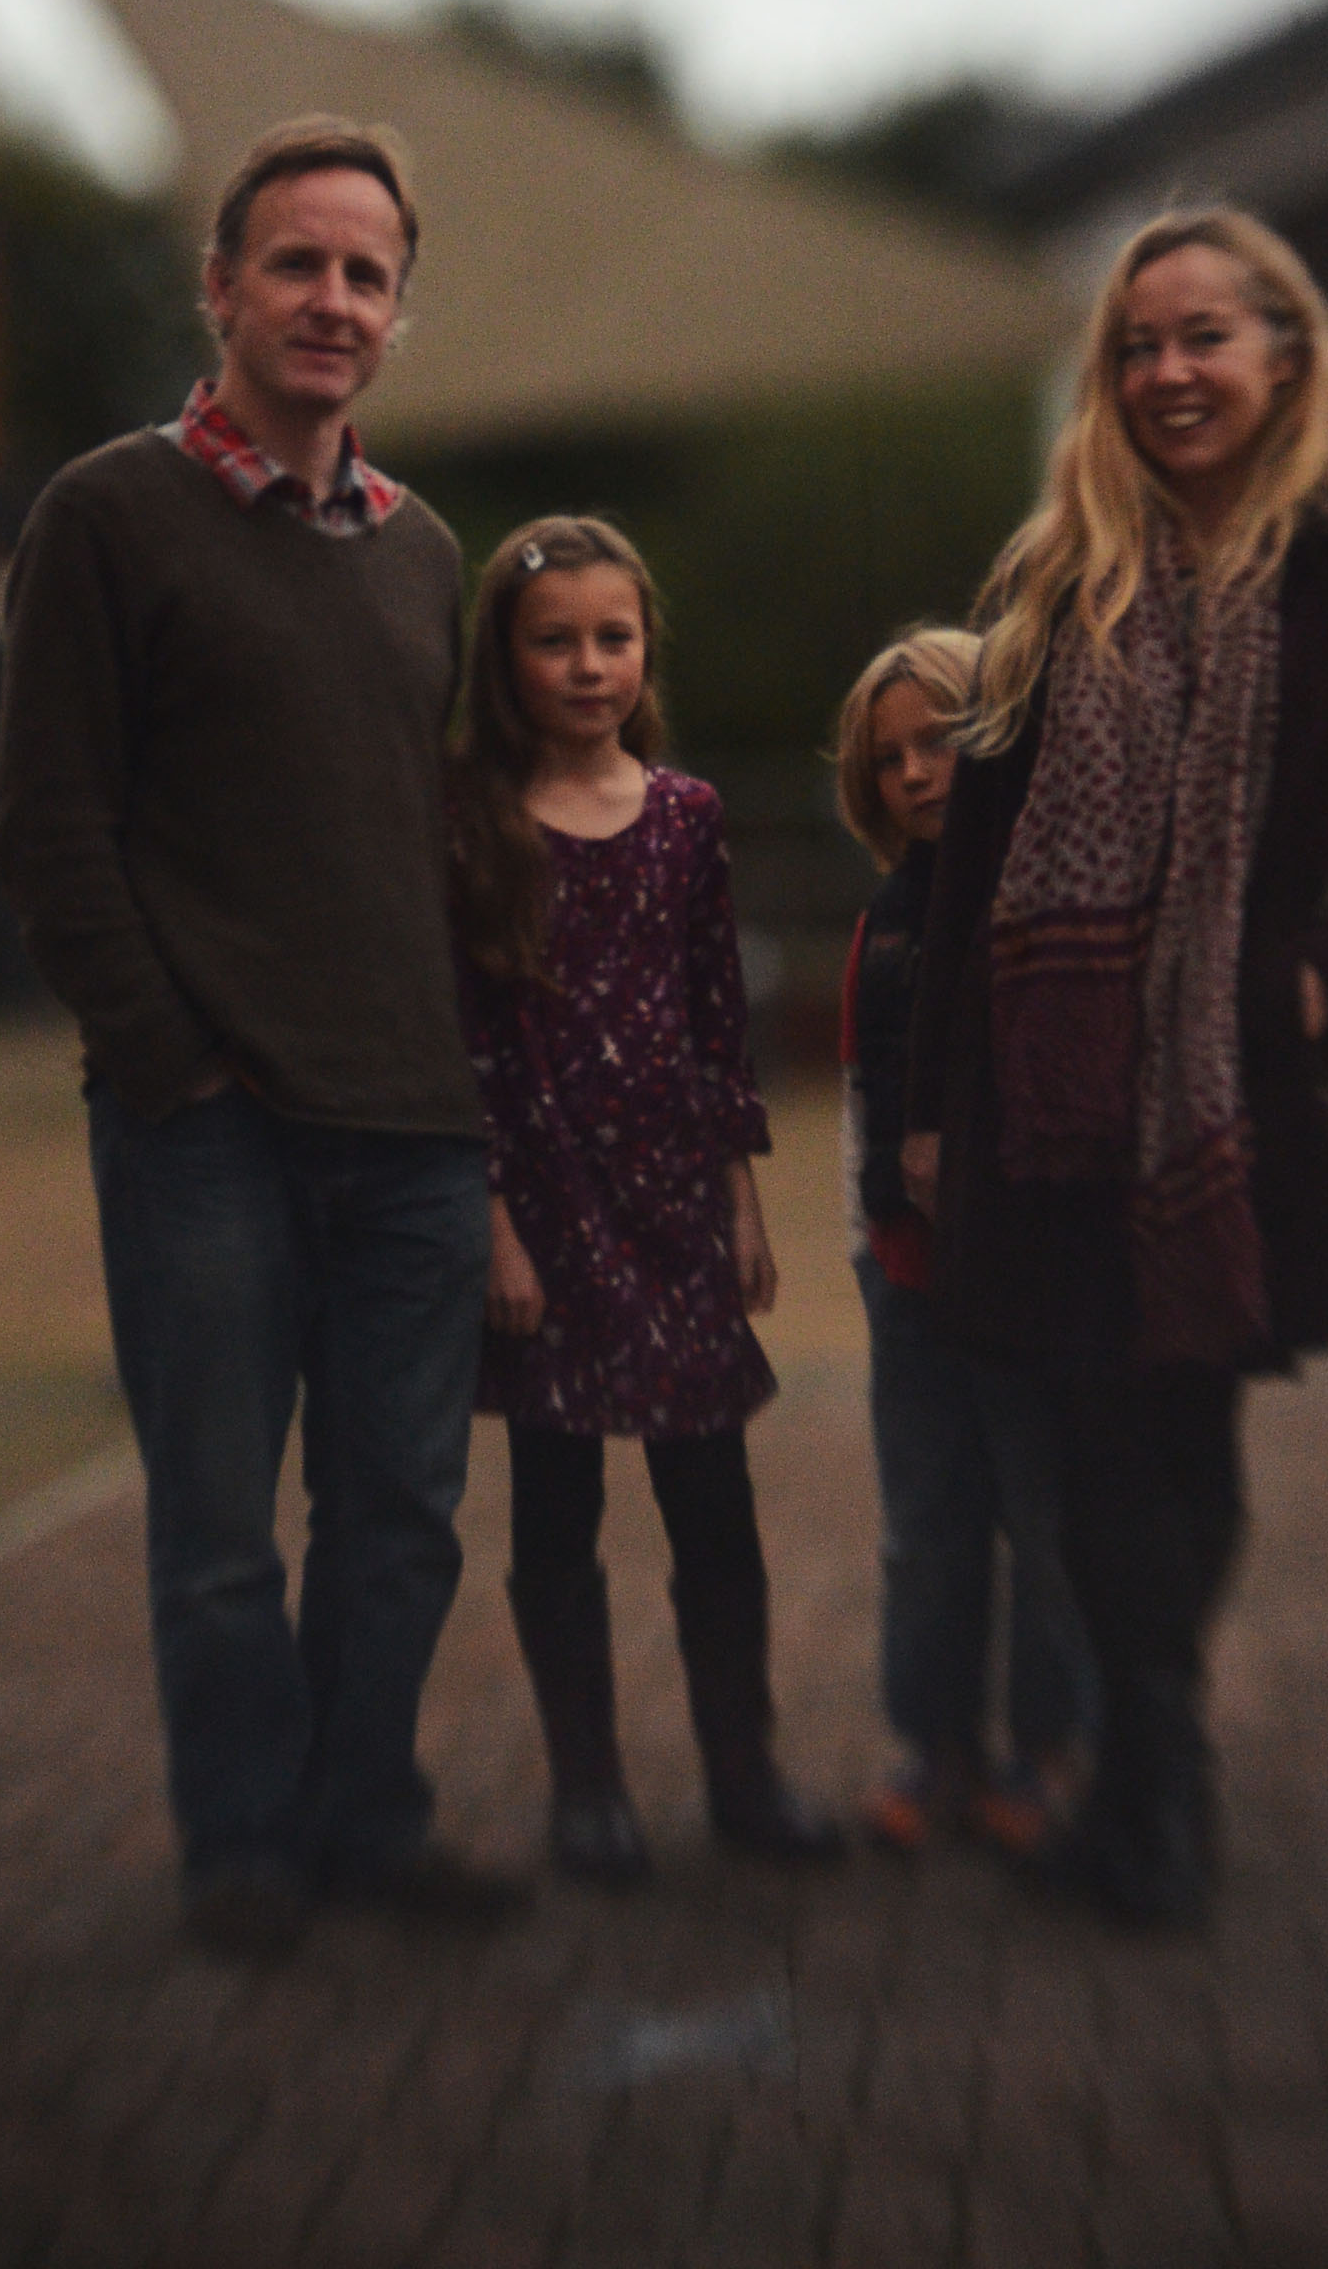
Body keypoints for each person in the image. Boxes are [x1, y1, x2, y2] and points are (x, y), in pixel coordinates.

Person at [0, 116, 521, 1962]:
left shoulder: (426, 552)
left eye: (368, 273)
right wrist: (170, 1061)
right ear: (218, 286)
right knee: (220, 1529)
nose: (332, 298)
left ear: (396, 313)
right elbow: (49, 831)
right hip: (206, 1127)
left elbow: (438, 839)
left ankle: (366, 1823)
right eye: (296, 261)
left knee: (400, 1522)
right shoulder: (103, 516)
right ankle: (243, 1851)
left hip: (417, 1132)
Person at [902, 207, 1328, 1931]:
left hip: (1235, 1085)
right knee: (1088, 1447)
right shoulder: (1054, 574)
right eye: (1136, 346)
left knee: (1183, 1428)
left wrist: (1320, 975)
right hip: (1050, 1092)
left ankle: (1156, 1789)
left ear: (1284, 354)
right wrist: (922, 1108)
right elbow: (968, 866)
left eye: (1202, 336)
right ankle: (1154, 1786)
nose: (1167, 372)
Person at [449, 516, 844, 1884]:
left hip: (676, 1206)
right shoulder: (475, 821)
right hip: (544, 1208)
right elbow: (464, 1040)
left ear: (646, 650)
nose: (587, 666)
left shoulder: (686, 816)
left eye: (612, 638)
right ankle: (590, 1793)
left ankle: (746, 1776)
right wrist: (495, 1226)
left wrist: (740, 1197)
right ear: (505, 658)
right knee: (556, 1515)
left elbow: (716, 1017)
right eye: (554, 641)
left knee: (714, 1510)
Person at [833, 628, 1095, 1857]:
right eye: (890, 760)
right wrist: (867, 1245)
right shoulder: (881, 925)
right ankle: (933, 1744)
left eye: (939, 741)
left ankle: (1048, 1749)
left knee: (1046, 1524)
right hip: (908, 1279)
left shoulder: (1046, 904)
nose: (917, 773)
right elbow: (861, 1096)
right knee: (926, 1526)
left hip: (1031, 1276)